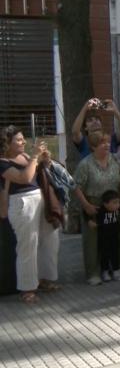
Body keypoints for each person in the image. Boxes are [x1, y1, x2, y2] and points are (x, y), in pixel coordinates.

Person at [0, 126, 58, 303]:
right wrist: (34, 156)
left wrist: (45, 160)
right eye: (18, 140)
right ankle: (27, 288)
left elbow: (37, 173)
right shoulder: (3, 162)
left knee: (50, 240)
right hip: (22, 203)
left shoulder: (25, 156)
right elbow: (23, 178)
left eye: (23, 138)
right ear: (7, 143)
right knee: (28, 246)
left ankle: (45, 279)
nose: (23, 142)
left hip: (40, 198)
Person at [73, 131, 120, 285]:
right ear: (93, 146)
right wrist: (86, 205)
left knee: (118, 236)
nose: (106, 145)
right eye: (102, 143)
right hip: (94, 204)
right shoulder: (85, 164)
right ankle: (94, 273)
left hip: (115, 203)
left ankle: (119, 267)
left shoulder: (115, 159)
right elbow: (76, 186)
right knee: (93, 240)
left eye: (107, 142)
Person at [92, 190, 120, 283]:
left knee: (115, 254)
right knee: (104, 255)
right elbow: (87, 213)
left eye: (118, 202)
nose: (117, 205)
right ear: (105, 204)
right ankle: (105, 272)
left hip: (115, 236)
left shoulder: (118, 210)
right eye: (114, 203)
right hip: (103, 237)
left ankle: (116, 271)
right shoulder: (100, 210)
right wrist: (91, 222)